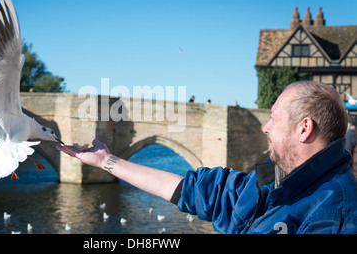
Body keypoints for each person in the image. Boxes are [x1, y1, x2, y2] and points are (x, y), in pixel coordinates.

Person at [56, 80, 357, 234]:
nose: (264, 127)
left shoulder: (336, 214)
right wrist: (106, 161)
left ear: (304, 129)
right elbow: (189, 189)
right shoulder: (267, 184)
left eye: (274, 119)